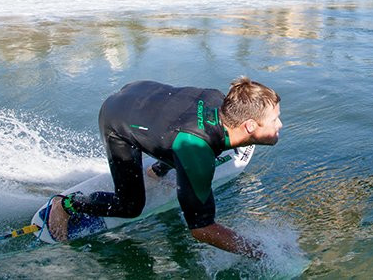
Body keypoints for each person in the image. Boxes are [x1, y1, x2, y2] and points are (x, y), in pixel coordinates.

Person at [45, 77, 282, 257]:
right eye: (274, 120)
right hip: (118, 118)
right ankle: (65, 205)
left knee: (181, 138)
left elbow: (182, 125)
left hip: (141, 93)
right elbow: (201, 230)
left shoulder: (221, 101)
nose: (280, 124)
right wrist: (258, 251)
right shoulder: (197, 153)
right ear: (250, 126)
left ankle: (158, 168)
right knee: (130, 206)